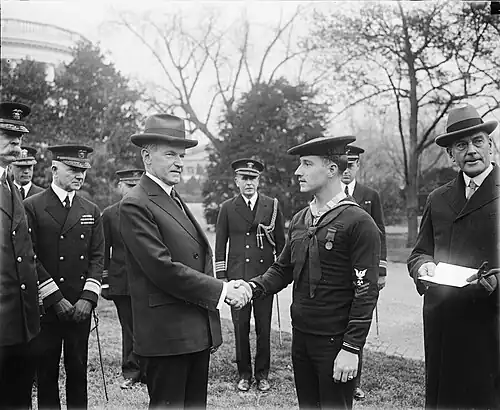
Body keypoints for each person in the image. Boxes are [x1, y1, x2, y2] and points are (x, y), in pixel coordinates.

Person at [238, 135, 381, 409]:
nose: (297, 172)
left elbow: (366, 291)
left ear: (331, 169)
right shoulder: (302, 219)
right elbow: (283, 269)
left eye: (306, 164)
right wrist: (252, 288)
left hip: (336, 342)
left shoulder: (359, 222)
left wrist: (351, 348)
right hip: (302, 337)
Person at [119, 113, 251, 409]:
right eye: (170, 154)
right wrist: (222, 290)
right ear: (146, 156)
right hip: (167, 338)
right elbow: (162, 268)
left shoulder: (172, 197)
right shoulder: (136, 203)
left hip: (192, 334)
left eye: (181, 155)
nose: (179, 162)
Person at [407, 104, 499, 409]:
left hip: (490, 325)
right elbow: (419, 252)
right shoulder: (438, 199)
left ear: (490, 145)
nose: (470, 151)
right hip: (444, 324)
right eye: (461, 145)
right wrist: (423, 266)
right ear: (450, 154)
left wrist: (496, 281)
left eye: (477, 141)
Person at [24, 144, 104, 410]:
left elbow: (97, 257)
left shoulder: (91, 209)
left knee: (78, 370)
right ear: (54, 169)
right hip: (48, 306)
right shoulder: (32, 206)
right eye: (72, 170)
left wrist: (88, 299)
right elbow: (30, 256)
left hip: (80, 308)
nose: (79, 176)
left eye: (83, 170)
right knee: (46, 371)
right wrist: (55, 298)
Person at [0, 102, 61, 409]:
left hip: (20, 324)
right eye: (7, 135)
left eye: (20, 137)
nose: (17, 143)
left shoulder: (10, 187)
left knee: (18, 398)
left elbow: (25, 253)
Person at [215, 158, 286, 392]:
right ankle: (244, 374)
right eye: (244, 178)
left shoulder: (271, 206)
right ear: (236, 181)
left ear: (259, 180)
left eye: (253, 178)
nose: (249, 183)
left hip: (264, 278)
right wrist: (222, 277)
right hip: (238, 278)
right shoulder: (227, 208)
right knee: (241, 327)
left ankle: (262, 374)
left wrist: (279, 274)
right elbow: (220, 245)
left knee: (263, 328)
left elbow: (281, 244)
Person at [341, 144, 387, 401]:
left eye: (351, 165)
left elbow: (380, 233)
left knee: (358, 325)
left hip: (364, 272)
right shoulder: (331, 195)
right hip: (340, 271)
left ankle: (355, 381)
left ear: (358, 166)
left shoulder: (369, 195)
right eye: (343, 165)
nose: (346, 170)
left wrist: (381, 270)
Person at [101, 168, 145, 389]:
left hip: (147, 281)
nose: (132, 190)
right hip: (121, 281)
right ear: (120, 187)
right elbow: (103, 251)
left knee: (148, 326)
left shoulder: (149, 211)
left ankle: (149, 370)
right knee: (128, 327)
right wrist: (105, 281)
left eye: (136, 186)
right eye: (129, 186)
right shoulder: (109, 214)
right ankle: (131, 371)